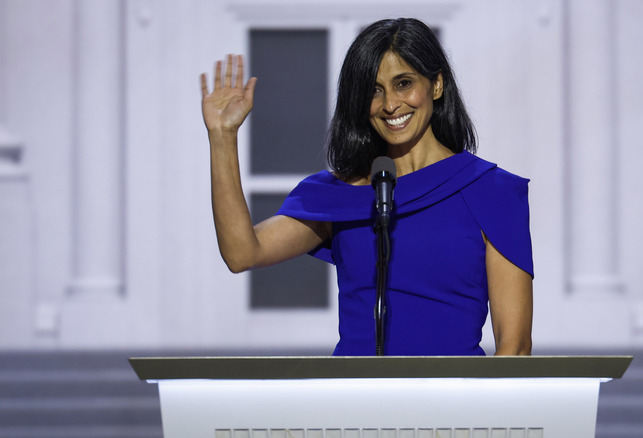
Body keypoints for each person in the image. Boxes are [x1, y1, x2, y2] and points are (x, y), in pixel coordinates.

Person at [200, 18, 533, 356]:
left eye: (404, 83)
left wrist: (476, 408)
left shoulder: (491, 191)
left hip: (457, 403)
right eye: (374, 90)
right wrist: (223, 137)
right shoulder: (340, 194)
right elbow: (242, 253)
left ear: (436, 85)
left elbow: (515, 347)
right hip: (351, 402)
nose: (390, 104)